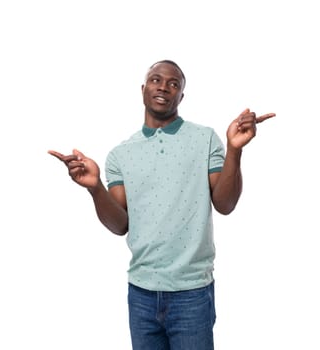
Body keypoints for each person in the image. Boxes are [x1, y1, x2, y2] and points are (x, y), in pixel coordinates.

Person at [48, 59, 275, 350]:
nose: (164, 87)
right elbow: (120, 225)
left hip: (191, 292)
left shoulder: (205, 138)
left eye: (174, 83)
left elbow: (225, 203)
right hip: (140, 293)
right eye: (156, 80)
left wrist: (234, 150)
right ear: (143, 89)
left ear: (181, 96)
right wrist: (95, 189)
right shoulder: (121, 154)